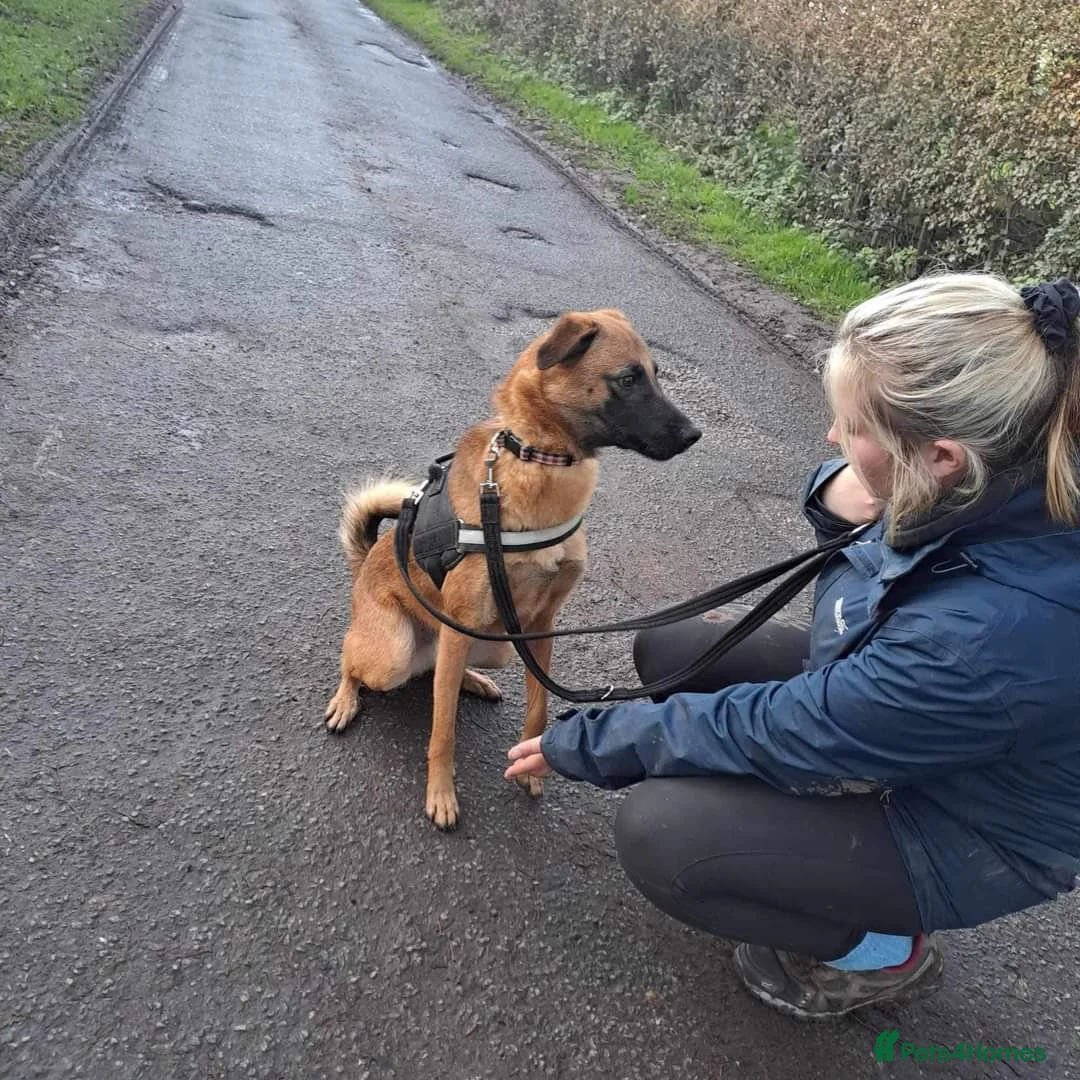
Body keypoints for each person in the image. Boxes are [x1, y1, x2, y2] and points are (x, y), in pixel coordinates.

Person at [504, 272, 1080, 1020]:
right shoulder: (999, 470)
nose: (832, 439)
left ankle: (883, 954)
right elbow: (867, 597)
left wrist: (592, 741)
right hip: (927, 717)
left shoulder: (990, 635)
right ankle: (822, 813)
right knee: (677, 650)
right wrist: (846, 509)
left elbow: (800, 718)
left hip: (979, 825)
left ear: (942, 458)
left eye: (853, 426)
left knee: (663, 835)